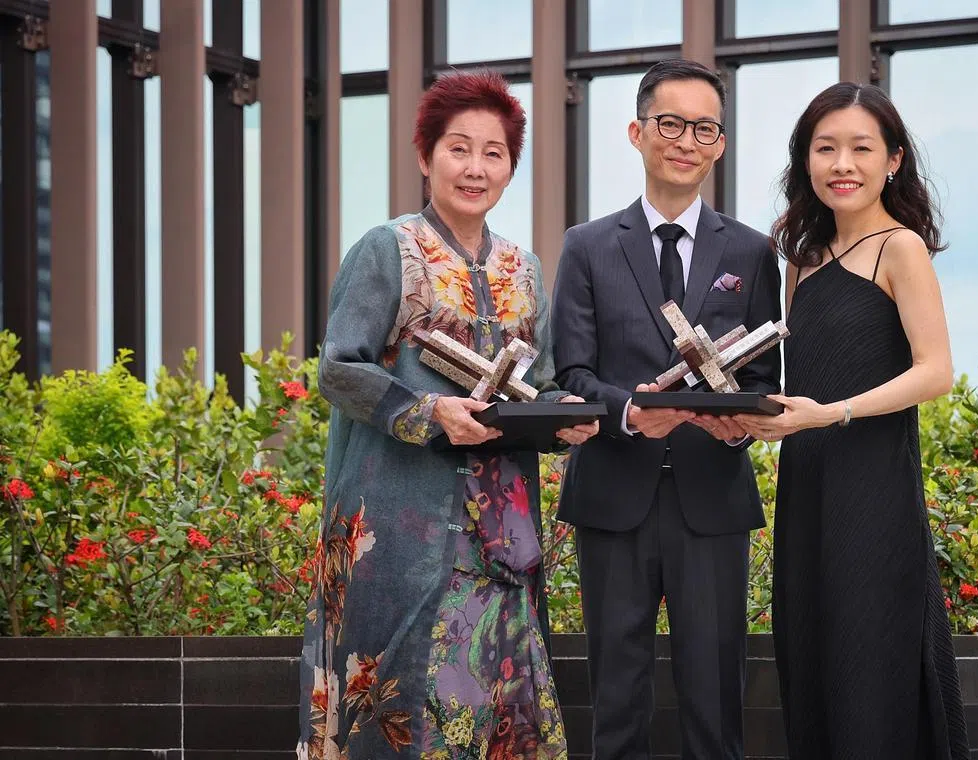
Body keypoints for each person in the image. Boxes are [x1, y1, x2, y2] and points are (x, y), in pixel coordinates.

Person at [296, 70, 596, 760]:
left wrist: (565, 416)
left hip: (500, 539)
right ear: (424, 155)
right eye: (458, 148)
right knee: (397, 702)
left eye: (494, 153)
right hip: (398, 529)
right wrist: (430, 411)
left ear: (511, 167)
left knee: (503, 703)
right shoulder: (388, 248)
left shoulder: (525, 270)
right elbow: (339, 367)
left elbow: (536, 387)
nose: (476, 168)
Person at [551, 59, 782, 759]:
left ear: (719, 144)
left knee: (716, 699)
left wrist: (742, 426)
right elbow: (573, 371)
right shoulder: (587, 246)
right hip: (613, 495)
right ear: (638, 131)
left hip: (713, 500)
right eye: (670, 123)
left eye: (704, 127)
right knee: (615, 699)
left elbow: (764, 370)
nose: (686, 139)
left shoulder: (752, 250)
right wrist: (628, 413)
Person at [733, 82, 970, 758]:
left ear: (893, 160)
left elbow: (937, 371)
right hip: (807, 493)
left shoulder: (901, 249)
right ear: (805, 160)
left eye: (861, 148)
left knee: (871, 673)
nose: (843, 164)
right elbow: (795, 386)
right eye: (826, 147)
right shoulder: (801, 261)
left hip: (875, 495)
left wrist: (831, 414)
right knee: (810, 668)